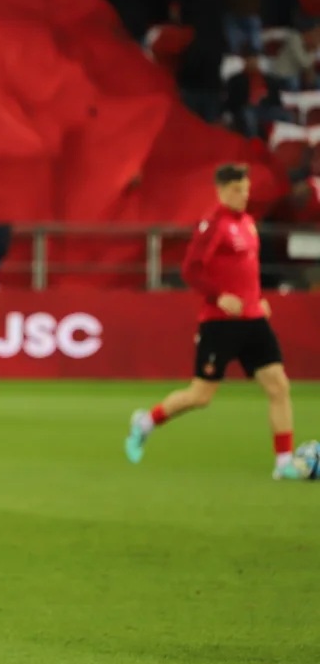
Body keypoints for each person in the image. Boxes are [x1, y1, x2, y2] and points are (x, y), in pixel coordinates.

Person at [124, 163, 308, 480]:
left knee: (278, 386)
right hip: (219, 323)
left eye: (245, 190)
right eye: (236, 190)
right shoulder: (213, 224)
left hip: (253, 320)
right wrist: (219, 295)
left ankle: (284, 463)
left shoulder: (249, 223)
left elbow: (245, 272)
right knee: (201, 396)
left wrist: (256, 299)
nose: (242, 196)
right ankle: (147, 421)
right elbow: (191, 270)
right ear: (221, 190)